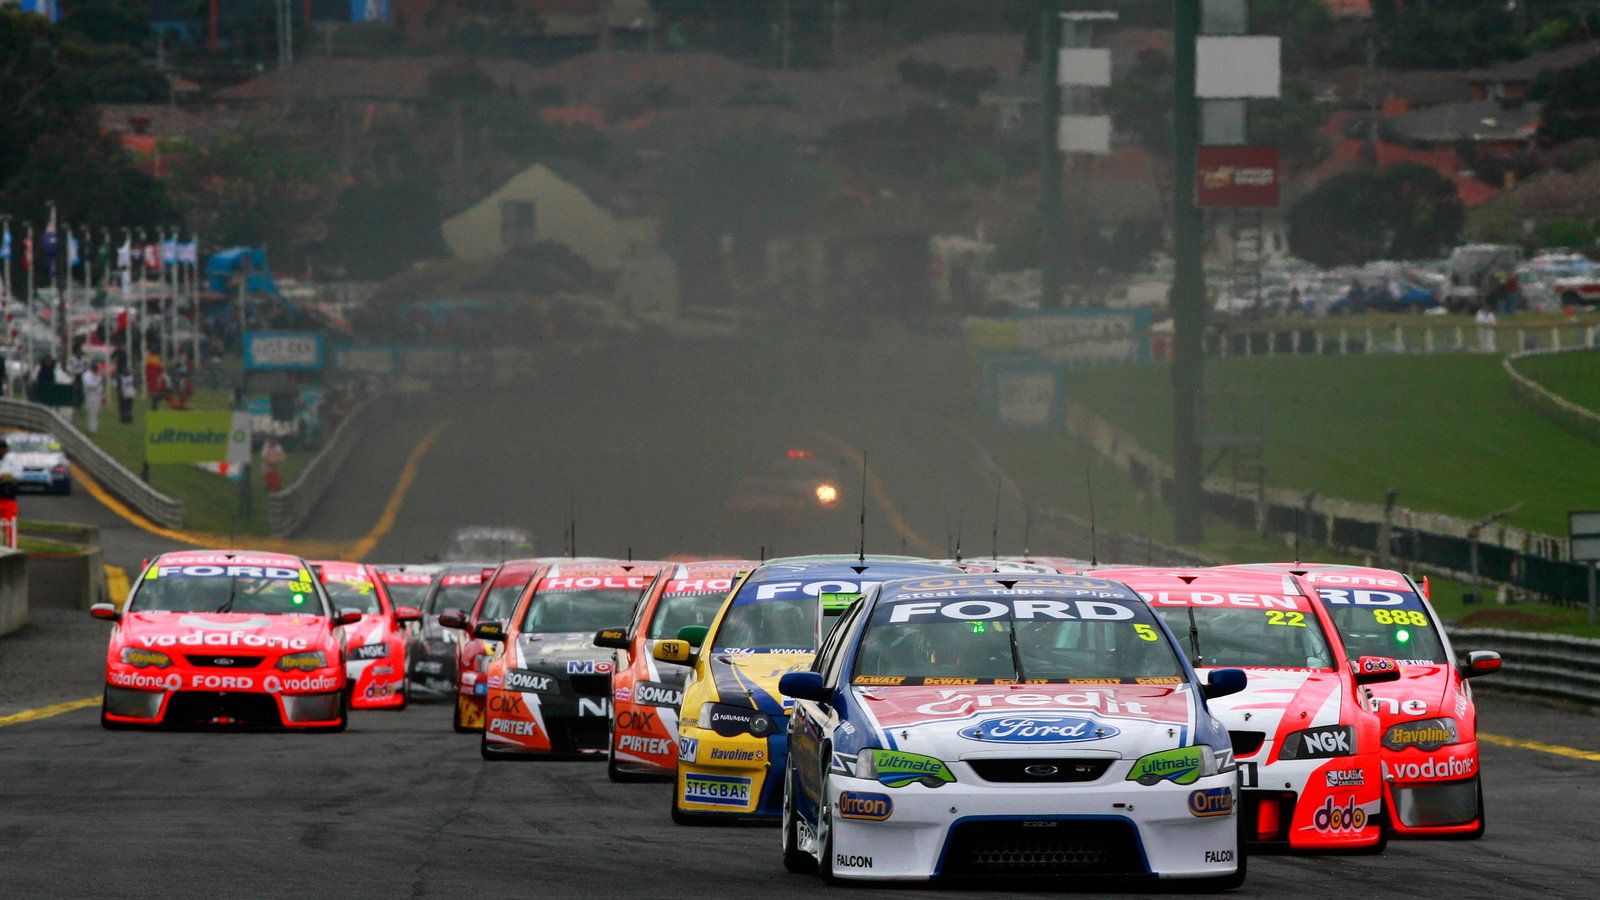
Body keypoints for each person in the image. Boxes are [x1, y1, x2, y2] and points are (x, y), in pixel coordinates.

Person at [0, 441, 19, 549]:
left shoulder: (12, 461)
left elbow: (19, 474)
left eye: (2, 449)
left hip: (9, 498)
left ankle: (12, 547)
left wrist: (8, 475)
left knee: (10, 525)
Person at [81, 363, 104, 433]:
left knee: (97, 413)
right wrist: (97, 384)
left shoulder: (98, 375)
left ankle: (94, 427)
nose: (97, 370)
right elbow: (88, 385)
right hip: (90, 395)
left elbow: (100, 385)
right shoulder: (87, 375)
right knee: (92, 412)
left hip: (97, 395)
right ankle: (91, 428)